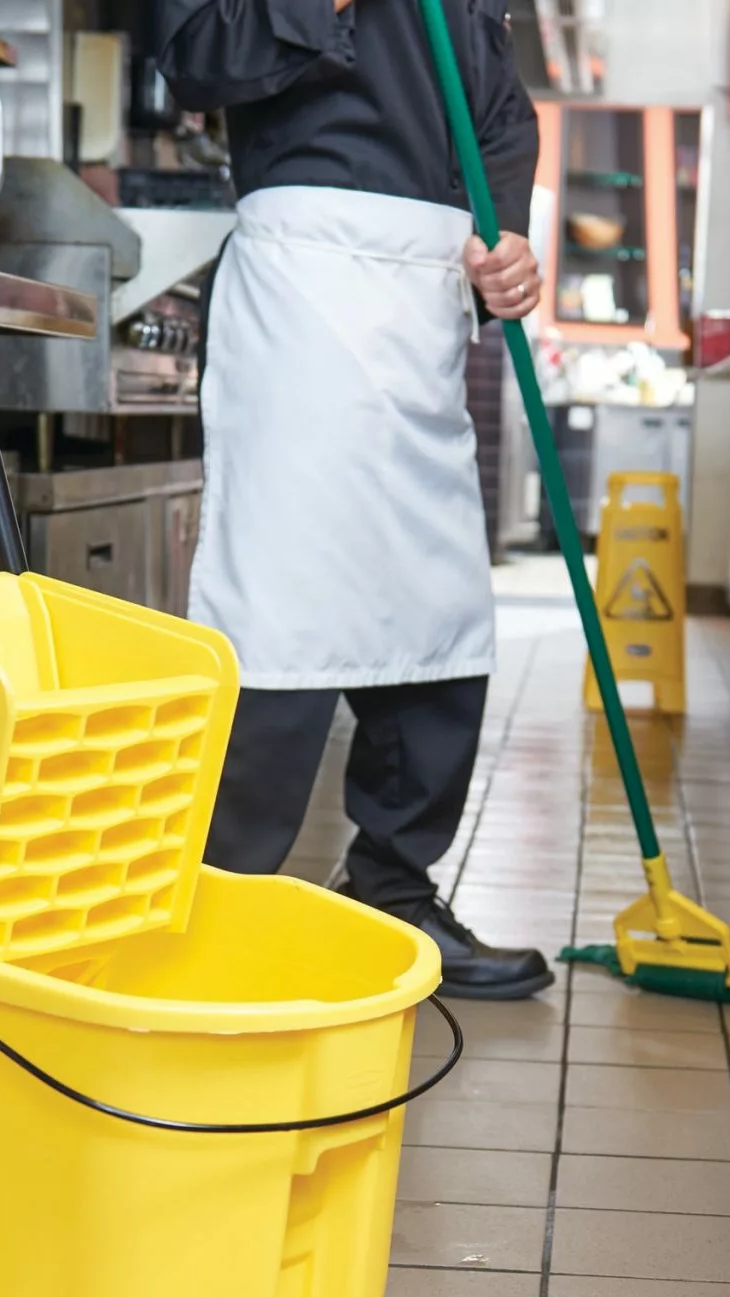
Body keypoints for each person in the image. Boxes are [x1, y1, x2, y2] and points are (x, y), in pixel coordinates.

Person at [156, 0, 554, 1000]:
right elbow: (195, 56)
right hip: (304, 291)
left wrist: (502, 245)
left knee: (436, 607)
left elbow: (500, 120)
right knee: (283, 610)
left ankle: (393, 890)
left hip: (425, 311)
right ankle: (217, 906)